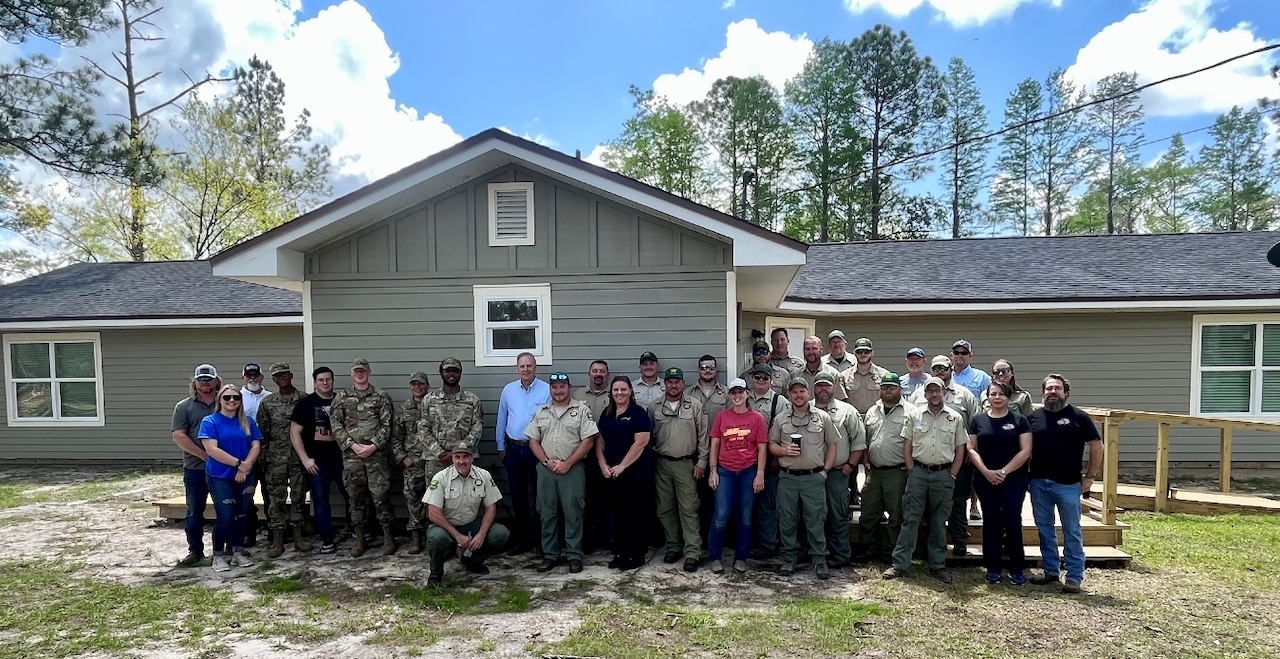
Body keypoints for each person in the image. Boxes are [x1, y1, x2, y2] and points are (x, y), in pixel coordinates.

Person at [884, 376, 966, 584]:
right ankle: (900, 564)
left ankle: (937, 565)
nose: (934, 394)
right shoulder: (914, 415)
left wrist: (953, 474)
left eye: (937, 391)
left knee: (939, 522)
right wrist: (911, 469)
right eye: (930, 391)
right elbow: (907, 444)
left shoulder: (955, 418)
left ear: (944, 393)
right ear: (925, 394)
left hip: (943, 474)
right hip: (918, 473)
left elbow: (960, 449)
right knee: (910, 518)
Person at [1028, 374, 1104, 595]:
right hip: (1039, 482)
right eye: (1049, 388)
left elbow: (1097, 447)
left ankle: (1073, 576)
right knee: (1045, 528)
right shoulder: (1034, 418)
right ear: (1043, 393)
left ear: (1066, 392)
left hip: (1069, 484)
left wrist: (1089, 477)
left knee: (1071, 530)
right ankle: (1051, 570)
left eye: (1057, 388)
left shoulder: (1079, 417)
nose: (1052, 392)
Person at [526, 372, 600, 574]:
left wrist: (567, 463)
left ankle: (574, 555)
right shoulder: (542, 411)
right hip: (546, 469)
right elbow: (533, 440)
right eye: (555, 387)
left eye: (562, 387)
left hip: (572, 470)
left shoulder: (581, 410)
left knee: (573, 512)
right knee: (547, 512)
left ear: (569, 387)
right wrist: (547, 461)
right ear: (550, 389)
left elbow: (588, 441)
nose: (558, 391)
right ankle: (551, 555)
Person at [769, 378, 839, 579]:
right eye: (794, 392)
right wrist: (783, 450)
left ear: (808, 393)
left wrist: (825, 471)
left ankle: (819, 560)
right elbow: (771, 443)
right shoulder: (781, 418)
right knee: (787, 519)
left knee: (816, 519)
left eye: (802, 391)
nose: (798, 395)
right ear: (789, 395)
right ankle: (790, 558)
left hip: (813, 478)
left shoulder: (822, 417)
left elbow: (832, 444)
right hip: (788, 478)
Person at [910, 355, 980, 556]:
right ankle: (924, 544)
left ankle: (959, 540)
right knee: (926, 505)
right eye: (935, 368)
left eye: (943, 367)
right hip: (927, 459)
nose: (939, 370)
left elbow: (975, 425)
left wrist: (971, 451)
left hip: (957, 458)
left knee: (957, 501)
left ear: (951, 368)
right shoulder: (918, 395)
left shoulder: (964, 395)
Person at [416, 357, 485, 553]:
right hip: (436, 461)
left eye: (455, 370)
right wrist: (440, 453)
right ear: (441, 373)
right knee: (437, 504)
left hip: (465, 462)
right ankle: (441, 546)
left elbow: (477, 429)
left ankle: (467, 545)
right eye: (447, 371)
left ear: (460, 373)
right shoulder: (429, 400)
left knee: (468, 502)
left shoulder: (472, 400)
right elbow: (423, 428)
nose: (451, 374)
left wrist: (458, 454)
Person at [967, 381, 1033, 585]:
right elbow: (971, 449)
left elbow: (1026, 450)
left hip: (1014, 479)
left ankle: (1016, 567)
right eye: (993, 394)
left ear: (1009, 397)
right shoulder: (977, 421)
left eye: (1001, 394)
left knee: (1012, 520)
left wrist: (1004, 471)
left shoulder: (1020, 420)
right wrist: (986, 472)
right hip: (985, 479)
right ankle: (993, 567)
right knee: (991, 521)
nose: (997, 397)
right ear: (987, 397)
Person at [330, 358, 396, 557]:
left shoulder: (381, 396)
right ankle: (360, 539)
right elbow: (336, 425)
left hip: (376, 457)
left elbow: (387, 424)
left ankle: (388, 538)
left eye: (363, 371)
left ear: (369, 372)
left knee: (381, 497)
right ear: (351, 373)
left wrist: (373, 445)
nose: (360, 374)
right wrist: (352, 445)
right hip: (352, 457)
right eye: (357, 371)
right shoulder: (341, 398)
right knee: (355, 498)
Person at [648, 366, 709, 572]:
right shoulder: (654, 406)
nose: (673, 385)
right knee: (664, 508)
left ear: (683, 383)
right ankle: (673, 546)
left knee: (689, 508)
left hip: (686, 463)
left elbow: (703, 436)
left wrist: (701, 462)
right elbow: (649, 436)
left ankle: (693, 551)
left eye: (677, 381)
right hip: (661, 463)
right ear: (665, 384)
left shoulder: (695, 406)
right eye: (670, 381)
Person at [423, 446, 510, 586]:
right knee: (435, 538)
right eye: (457, 457)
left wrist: (481, 534)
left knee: (501, 533)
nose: (461, 461)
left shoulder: (484, 476)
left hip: (471, 524)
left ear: (472, 458)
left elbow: (491, 508)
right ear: (452, 458)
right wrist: (457, 536)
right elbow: (433, 513)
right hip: (446, 527)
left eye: (465, 457)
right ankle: (436, 573)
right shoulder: (441, 478)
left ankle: (471, 560)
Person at [199, 383, 263, 572]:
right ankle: (218, 555)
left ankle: (238, 552)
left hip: (245, 475)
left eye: (236, 397)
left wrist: (245, 468)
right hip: (220, 476)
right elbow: (211, 449)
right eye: (227, 397)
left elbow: (255, 446)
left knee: (242, 514)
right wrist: (238, 464)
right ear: (220, 400)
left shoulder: (247, 421)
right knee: (226, 516)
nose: (232, 401)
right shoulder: (210, 421)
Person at [707, 378, 768, 574]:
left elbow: (761, 447)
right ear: (729, 395)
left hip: (748, 472)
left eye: (740, 392)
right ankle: (714, 557)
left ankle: (741, 557)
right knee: (720, 516)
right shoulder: (722, 417)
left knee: (745, 518)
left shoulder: (757, 418)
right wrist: (713, 471)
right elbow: (715, 444)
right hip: (725, 471)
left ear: (747, 394)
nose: (737, 396)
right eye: (733, 393)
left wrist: (760, 474)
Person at [595, 375, 655, 570]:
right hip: (611, 473)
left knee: (635, 512)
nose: (619, 393)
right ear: (611, 393)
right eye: (616, 390)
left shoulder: (638, 413)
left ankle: (636, 554)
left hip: (634, 472)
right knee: (617, 512)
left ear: (630, 391)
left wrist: (622, 466)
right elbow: (600, 441)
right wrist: (603, 464)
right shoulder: (607, 413)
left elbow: (642, 442)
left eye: (623, 389)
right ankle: (620, 552)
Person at [495, 352, 551, 554]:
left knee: (540, 496)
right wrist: (501, 447)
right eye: (522, 366)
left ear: (535, 367)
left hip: (536, 450)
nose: (526, 369)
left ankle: (541, 540)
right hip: (513, 450)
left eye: (529, 366)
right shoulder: (509, 390)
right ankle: (522, 540)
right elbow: (502, 418)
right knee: (518, 496)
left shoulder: (546, 390)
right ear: (517, 368)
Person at [255, 362, 310, 558]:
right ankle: (277, 541)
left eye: (285, 374)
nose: (282, 378)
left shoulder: (304, 399)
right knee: (276, 500)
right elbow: (262, 433)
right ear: (274, 380)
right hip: (275, 459)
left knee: (298, 497)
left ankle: (299, 538)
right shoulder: (267, 403)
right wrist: (262, 458)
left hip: (298, 459)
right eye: (278, 376)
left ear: (291, 375)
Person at [857, 373, 913, 564]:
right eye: (884, 387)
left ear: (900, 389)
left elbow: (915, 441)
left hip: (897, 472)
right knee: (868, 512)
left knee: (896, 515)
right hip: (875, 472)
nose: (888, 390)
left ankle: (890, 552)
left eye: (892, 387)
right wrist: (865, 461)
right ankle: (869, 549)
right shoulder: (873, 411)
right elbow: (866, 439)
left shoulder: (911, 411)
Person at [813, 371, 866, 570]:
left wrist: (850, 466)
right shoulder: (806, 408)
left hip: (837, 473)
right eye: (819, 386)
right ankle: (815, 552)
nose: (823, 389)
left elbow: (859, 442)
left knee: (838, 514)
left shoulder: (847, 411)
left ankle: (840, 554)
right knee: (813, 515)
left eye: (827, 386)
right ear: (814, 388)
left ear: (834, 388)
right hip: (812, 473)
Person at [290, 366, 345, 554]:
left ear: (333, 381)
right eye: (321, 380)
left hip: (342, 459)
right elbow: (294, 433)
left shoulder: (342, 401)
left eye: (328, 379)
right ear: (315, 382)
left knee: (352, 496)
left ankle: (356, 531)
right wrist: (305, 460)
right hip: (316, 462)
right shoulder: (306, 404)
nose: (325, 382)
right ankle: (327, 539)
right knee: (320, 500)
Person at [172, 364, 220, 567]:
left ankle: (222, 550)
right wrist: (203, 454)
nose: (205, 383)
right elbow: (178, 436)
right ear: (194, 382)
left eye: (209, 379)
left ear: (217, 381)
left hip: (222, 469)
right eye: (201, 380)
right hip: (195, 469)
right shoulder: (183, 407)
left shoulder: (227, 401)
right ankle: (195, 551)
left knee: (225, 511)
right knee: (194, 511)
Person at [746, 363, 786, 559]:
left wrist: (777, 459)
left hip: (770, 458)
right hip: (746, 458)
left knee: (768, 503)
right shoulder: (744, 399)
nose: (760, 381)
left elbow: (785, 432)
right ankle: (751, 540)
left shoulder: (779, 401)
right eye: (757, 377)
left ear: (771, 380)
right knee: (749, 502)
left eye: (764, 378)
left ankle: (769, 544)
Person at [392, 371, 433, 554]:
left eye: (421, 384)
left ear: (427, 386)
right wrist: (403, 458)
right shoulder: (403, 409)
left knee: (434, 501)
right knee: (413, 500)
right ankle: (416, 538)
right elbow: (395, 438)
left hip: (433, 462)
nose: (418, 387)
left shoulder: (434, 405)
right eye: (414, 384)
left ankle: (433, 536)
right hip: (413, 463)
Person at [576, 360, 611, 555]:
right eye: (595, 371)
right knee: (588, 499)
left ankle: (609, 538)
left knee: (609, 498)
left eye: (602, 371)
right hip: (585, 455)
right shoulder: (578, 396)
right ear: (589, 374)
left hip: (610, 456)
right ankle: (589, 540)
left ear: (608, 374)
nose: (598, 374)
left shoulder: (615, 394)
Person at [840, 337, 888, 414]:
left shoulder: (883, 375)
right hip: (852, 418)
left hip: (875, 417)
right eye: (859, 352)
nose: (863, 354)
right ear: (854, 353)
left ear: (872, 353)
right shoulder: (844, 376)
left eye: (866, 352)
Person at [792, 336, 848, 400]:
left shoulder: (833, 374)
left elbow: (840, 400)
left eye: (814, 348)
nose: (811, 352)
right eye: (807, 349)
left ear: (821, 350)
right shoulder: (795, 375)